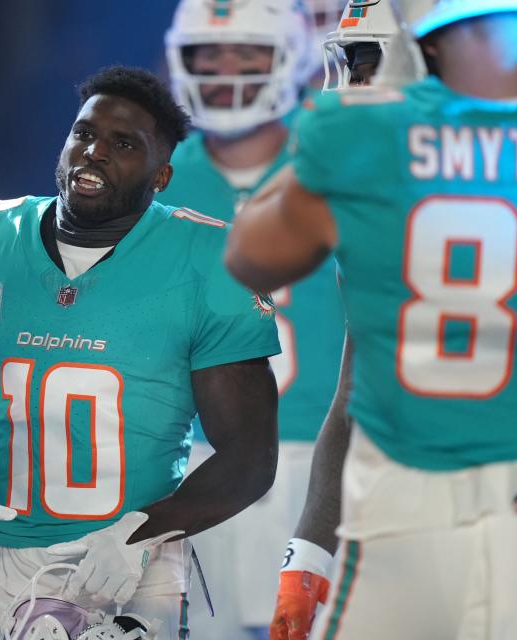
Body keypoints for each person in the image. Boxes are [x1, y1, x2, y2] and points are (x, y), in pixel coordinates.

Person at [226, 0, 517, 638]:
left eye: (365, 64)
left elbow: (249, 257)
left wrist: (327, 150)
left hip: (410, 506)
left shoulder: (379, 169)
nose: (351, 83)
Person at [0, 66, 282, 639]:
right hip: (4, 558)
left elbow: (250, 458)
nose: (93, 152)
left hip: (128, 564)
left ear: (161, 176)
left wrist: (139, 534)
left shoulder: (211, 260)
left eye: (123, 144)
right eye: (83, 133)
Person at [161, 1, 343, 637]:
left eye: (247, 54)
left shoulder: (336, 151)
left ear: (290, 55)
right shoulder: (156, 174)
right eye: (209, 55)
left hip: (325, 457)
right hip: (201, 458)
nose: (226, 71)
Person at [264, 3, 399, 639]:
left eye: (367, 66)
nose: (349, 88)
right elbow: (355, 396)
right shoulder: (372, 205)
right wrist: (307, 555)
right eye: (347, 66)